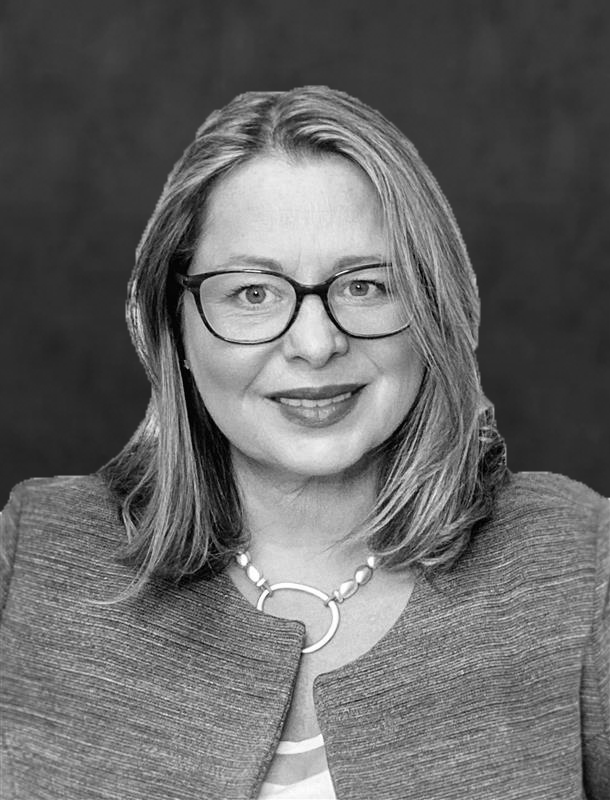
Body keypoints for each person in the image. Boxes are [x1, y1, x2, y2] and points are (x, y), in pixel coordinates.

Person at [0, 86, 608, 800]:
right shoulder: (30, 561)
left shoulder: (578, 564)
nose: (317, 344)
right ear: (178, 329)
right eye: (253, 293)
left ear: (433, 310)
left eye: (366, 285)